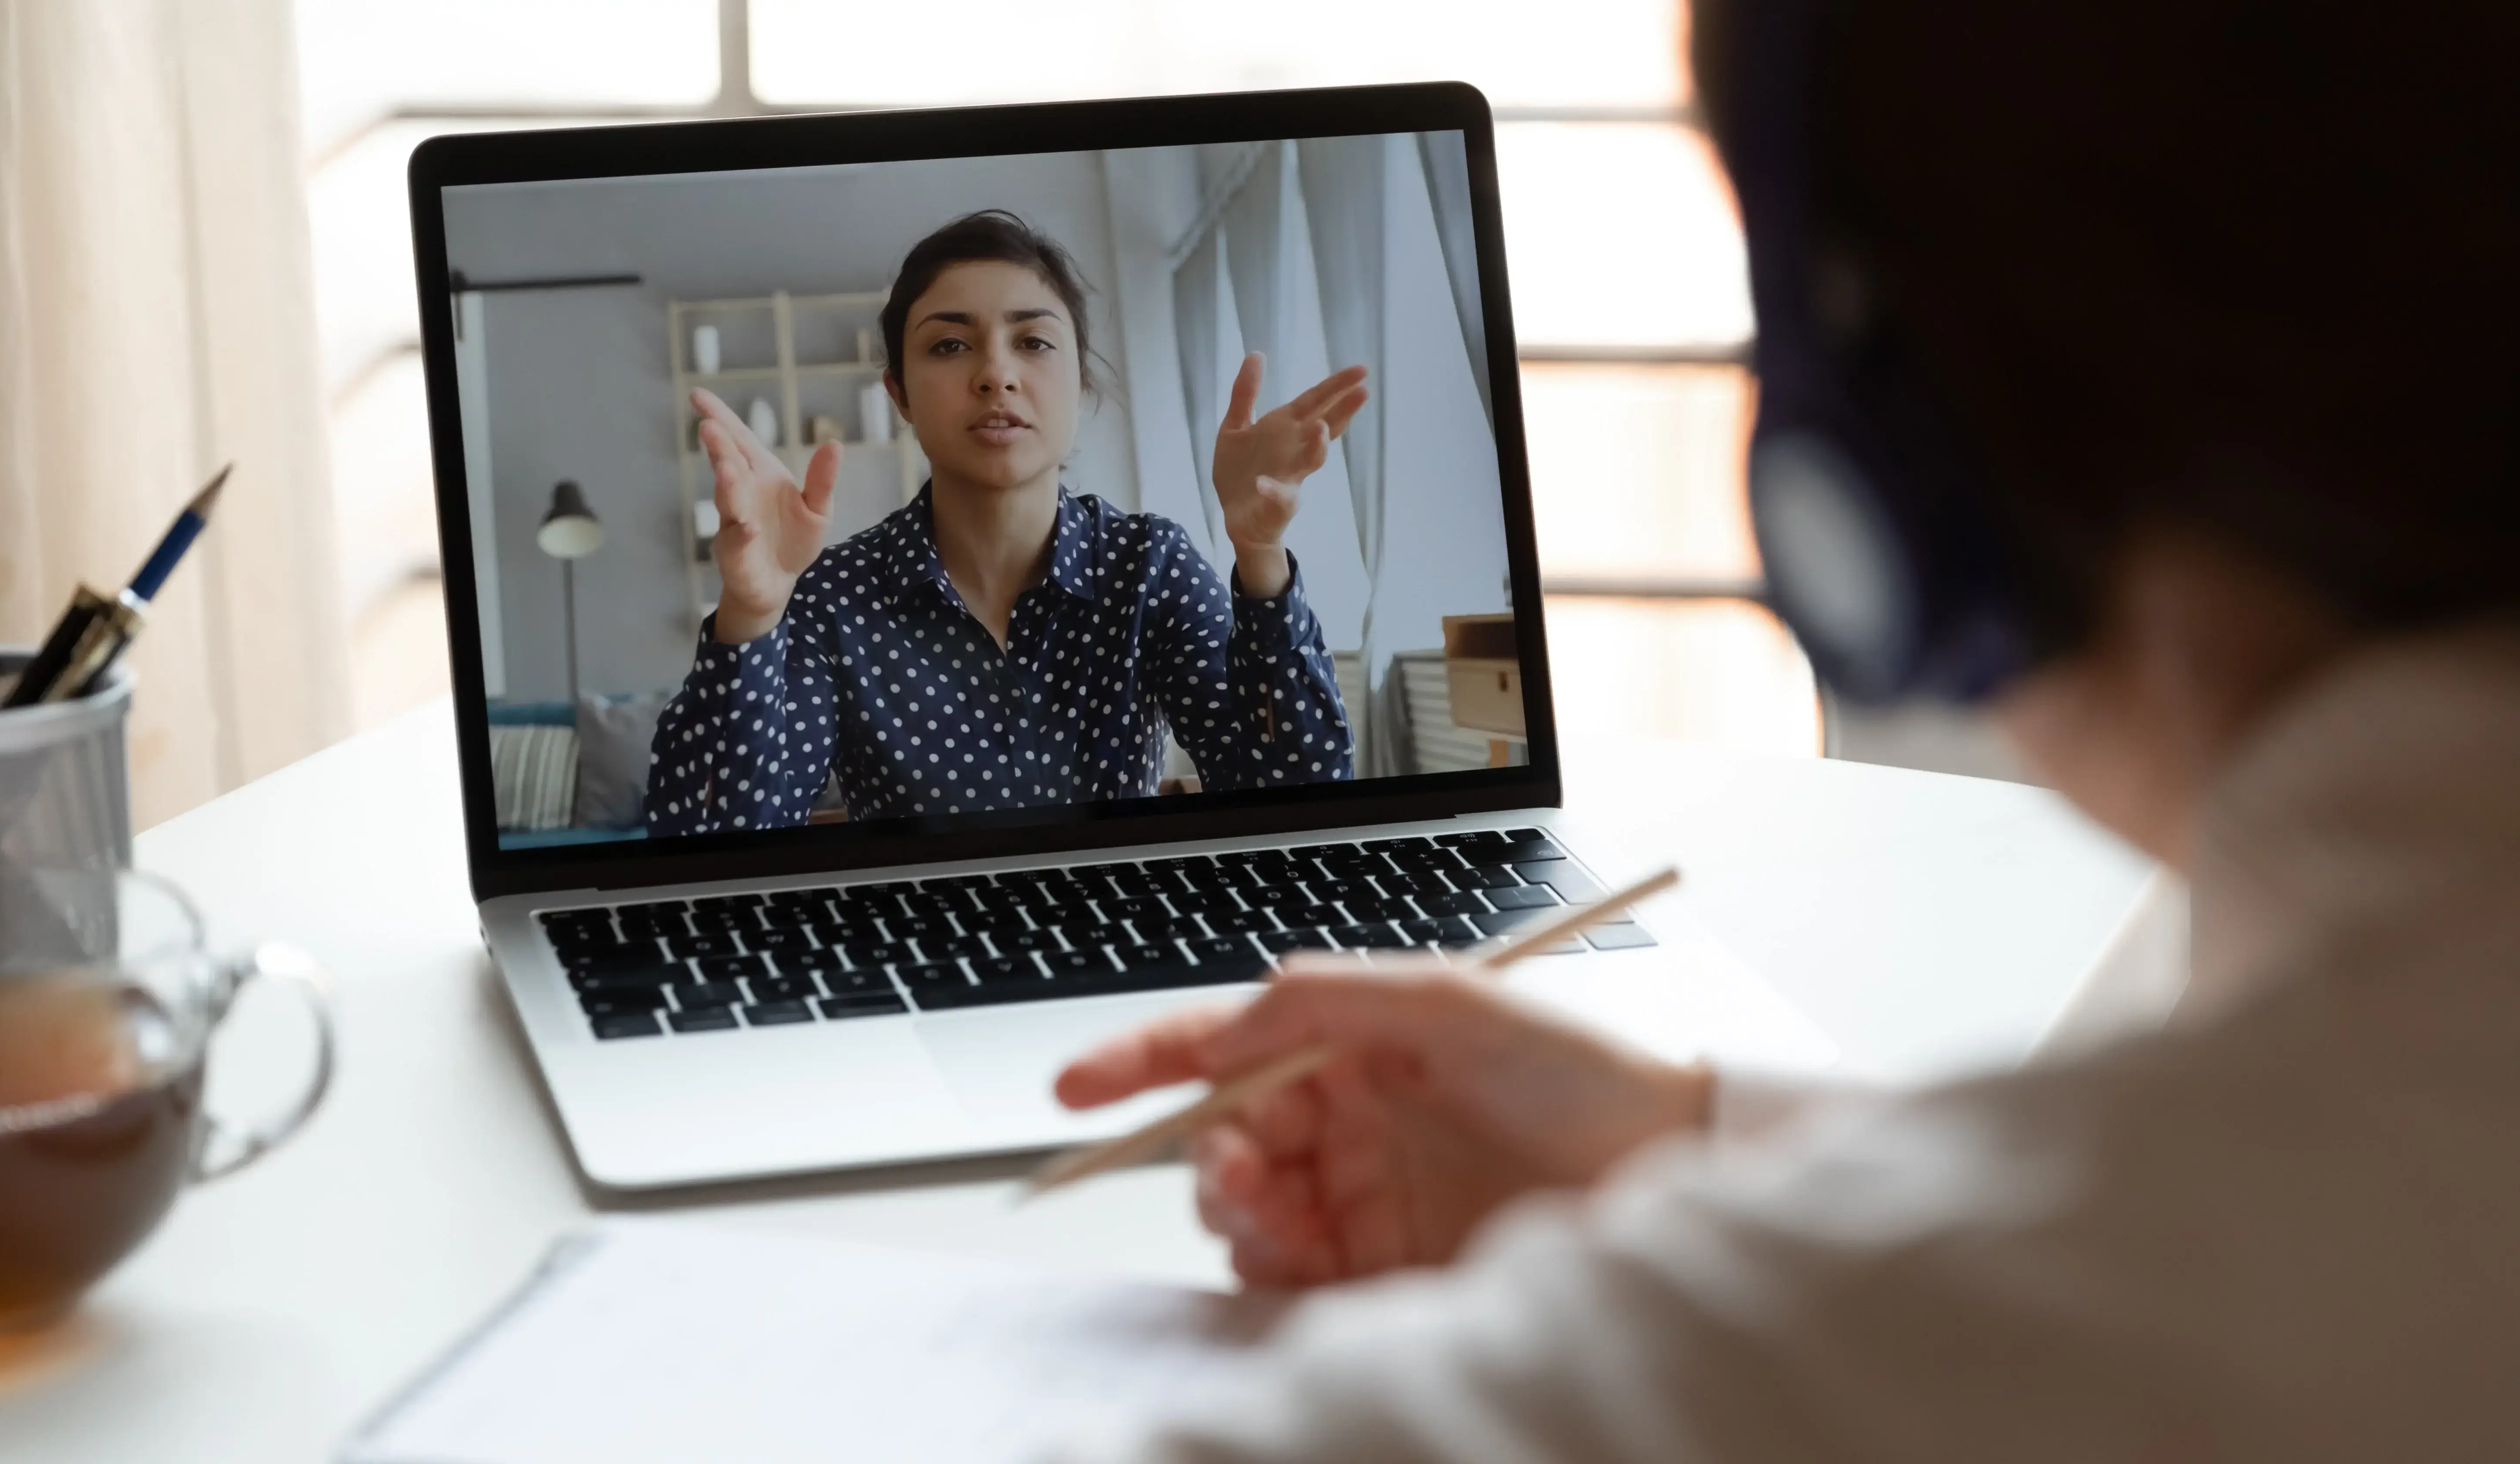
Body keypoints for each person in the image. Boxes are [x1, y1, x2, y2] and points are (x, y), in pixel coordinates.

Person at [1052, 0, 2520, 1457]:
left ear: (1893, 467)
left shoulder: (1825, 1368)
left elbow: (2134, 1266)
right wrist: (1693, 1140)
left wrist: (1257, 557)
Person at [644, 211, 1365, 836]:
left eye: (1033, 342)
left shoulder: (1149, 564)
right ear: (898, 392)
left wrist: (1261, 553)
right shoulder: (837, 595)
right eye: (949, 345)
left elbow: (1297, 798)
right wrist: (751, 611)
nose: (996, 374)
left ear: (1079, 377)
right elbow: (710, 839)